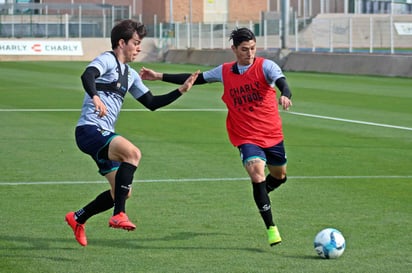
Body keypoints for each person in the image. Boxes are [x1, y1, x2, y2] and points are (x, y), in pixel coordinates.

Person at [139, 27, 293, 247]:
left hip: (272, 134)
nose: (249, 53)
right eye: (244, 49)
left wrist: (285, 94)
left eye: (252, 48)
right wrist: (159, 76)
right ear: (234, 49)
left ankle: (261, 196)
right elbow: (196, 78)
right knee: (257, 175)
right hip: (245, 136)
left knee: (279, 176)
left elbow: (282, 82)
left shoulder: (266, 66)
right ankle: (271, 228)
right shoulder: (224, 71)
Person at [65, 19, 199, 247]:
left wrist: (181, 90)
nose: (139, 48)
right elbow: (87, 76)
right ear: (121, 42)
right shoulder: (107, 59)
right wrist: (95, 96)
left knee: (122, 192)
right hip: (89, 130)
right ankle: (119, 215)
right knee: (133, 154)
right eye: (135, 43)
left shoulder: (130, 74)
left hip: (101, 134)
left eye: (140, 44)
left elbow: (151, 102)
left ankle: (78, 218)